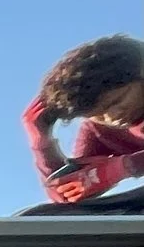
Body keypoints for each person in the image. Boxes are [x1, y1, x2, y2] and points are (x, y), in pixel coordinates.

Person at [25, 35, 144, 204]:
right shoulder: (98, 129)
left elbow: (118, 169)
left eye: (117, 101)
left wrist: (123, 167)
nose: (112, 116)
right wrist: (42, 142)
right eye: (98, 113)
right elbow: (69, 196)